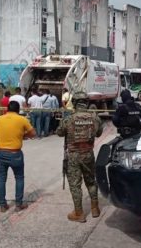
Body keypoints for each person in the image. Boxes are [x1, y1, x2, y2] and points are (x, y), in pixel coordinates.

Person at [56, 92, 103, 223]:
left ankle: (79, 213)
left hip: (73, 156)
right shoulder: (95, 117)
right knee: (91, 181)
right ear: (87, 103)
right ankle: (95, 209)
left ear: (75, 102)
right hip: (88, 154)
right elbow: (99, 133)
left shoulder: (69, 118)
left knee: (75, 184)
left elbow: (59, 133)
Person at [0, 101, 36, 213]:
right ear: (18, 110)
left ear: (7, 109)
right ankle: (18, 205)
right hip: (15, 153)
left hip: (0, 152)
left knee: (1, 178)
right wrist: (22, 135)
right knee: (19, 177)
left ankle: (2, 205)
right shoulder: (22, 120)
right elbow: (33, 134)